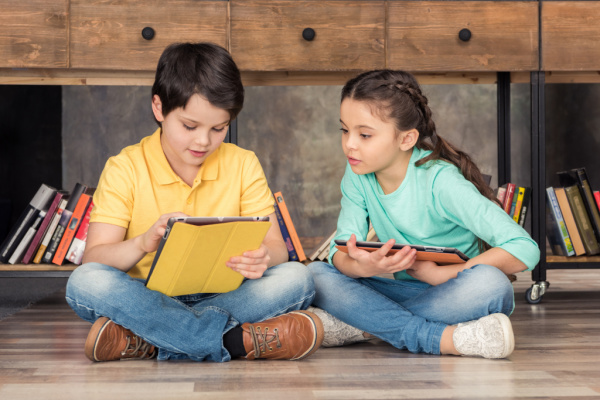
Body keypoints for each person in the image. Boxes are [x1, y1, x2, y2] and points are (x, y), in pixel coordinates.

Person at [65, 42, 323, 363]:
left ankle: (150, 340)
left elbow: (278, 250)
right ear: (159, 108)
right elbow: (95, 258)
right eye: (189, 126)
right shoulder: (125, 166)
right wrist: (143, 242)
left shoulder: (243, 163)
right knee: (84, 282)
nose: (204, 141)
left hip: (228, 293)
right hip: (146, 295)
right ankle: (234, 343)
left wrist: (262, 257)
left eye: (219, 128)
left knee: (297, 279)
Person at [307, 69, 540, 359]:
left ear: (406, 139)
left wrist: (441, 275)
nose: (350, 144)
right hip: (395, 290)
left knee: (492, 286)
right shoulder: (357, 172)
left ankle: (363, 326)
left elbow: (525, 249)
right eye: (344, 130)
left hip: (452, 292)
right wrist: (364, 267)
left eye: (364, 134)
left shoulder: (441, 182)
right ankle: (441, 338)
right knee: (316, 274)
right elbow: (341, 252)